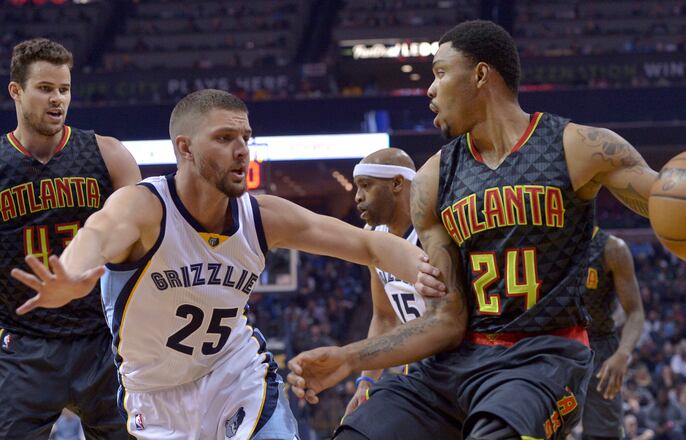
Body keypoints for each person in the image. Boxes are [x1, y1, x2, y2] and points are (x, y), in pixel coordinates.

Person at [287, 20, 686, 440]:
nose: (429, 89)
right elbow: (445, 321)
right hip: (456, 361)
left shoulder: (579, 146)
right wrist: (352, 360)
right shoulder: (432, 180)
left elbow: (669, 198)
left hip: (543, 358)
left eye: (438, 73)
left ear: (480, 74)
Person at [10, 89, 442, 439]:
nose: (241, 151)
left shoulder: (263, 215)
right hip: (154, 395)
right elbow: (98, 233)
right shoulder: (145, 208)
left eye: (245, 139)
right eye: (223, 138)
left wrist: (429, 270)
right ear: (185, 148)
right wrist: (70, 274)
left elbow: (370, 247)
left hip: (237, 378)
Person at [0, 38, 140, 439]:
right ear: (16, 91)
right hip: (25, 343)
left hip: (102, 339)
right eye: (45, 88)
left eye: (64, 89)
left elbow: (146, 237)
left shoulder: (107, 154)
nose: (57, 99)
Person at [345, 148, 424, 417]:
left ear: (397, 184)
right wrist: (366, 381)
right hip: (416, 369)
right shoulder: (373, 235)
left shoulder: (435, 231)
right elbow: (384, 316)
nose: (357, 197)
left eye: (366, 186)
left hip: (457, 362)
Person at [580, 227, 645, 440]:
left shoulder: (612, 248)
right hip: (555, 344)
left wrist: (623, 353)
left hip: (600, 347)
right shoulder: (547, 241)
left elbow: (635, 311)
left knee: (604, 435)